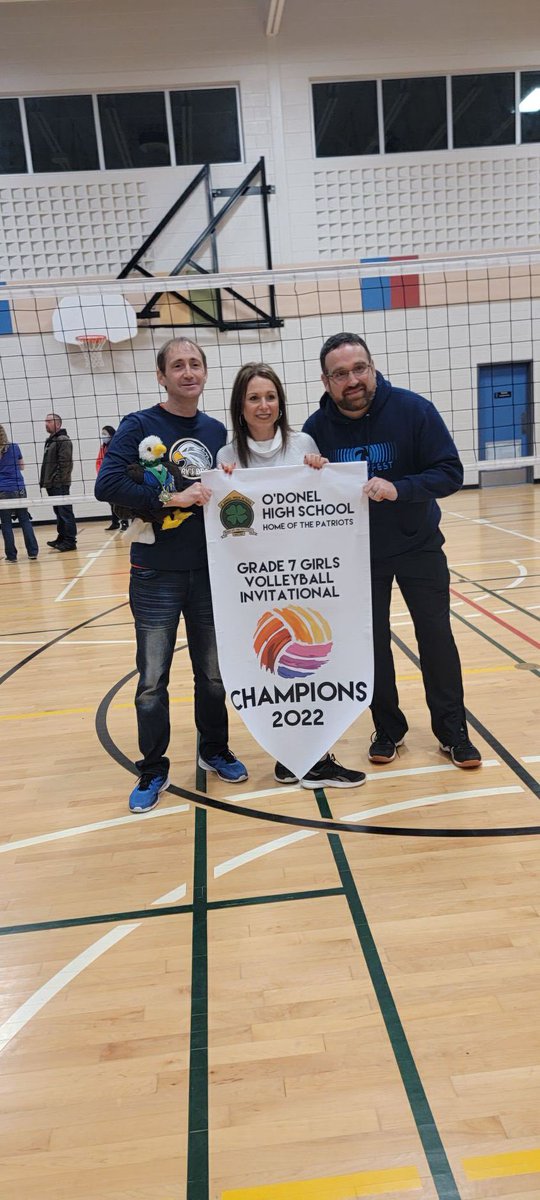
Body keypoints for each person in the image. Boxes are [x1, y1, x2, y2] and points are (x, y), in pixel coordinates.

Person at [303, 332, 482, 770]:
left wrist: (399, 489)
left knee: (436, 638)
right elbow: (297, 494)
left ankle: (452, 730)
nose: (353, 380)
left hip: (418, 545)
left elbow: (450, 473)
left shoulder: (414, 410)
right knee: (371, 645)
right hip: (357, 556)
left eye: (359, 368)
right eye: (340, 373)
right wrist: (309, 472)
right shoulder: (314, 431)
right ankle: (388, 727)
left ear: (373, 367)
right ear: (326, 381)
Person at [95, 336, 248, 813]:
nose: (188, 372)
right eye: (177, 366)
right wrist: (171, 499)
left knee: (213, 674)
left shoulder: (217, 428)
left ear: (204, 372)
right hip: (155, 572)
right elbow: (107, 484)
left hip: (208, 571)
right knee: (152, 679)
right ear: (161, 375)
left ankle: (213, 749)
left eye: (195, 364)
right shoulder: (139, 424)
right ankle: (153, 767)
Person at [217, 361, 366, 790]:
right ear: (240, 406)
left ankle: (315, 755)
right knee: (268, 668)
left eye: (270, 396)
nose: (264, 405)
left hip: (303, 574)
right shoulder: (228, 456)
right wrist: (223, 482)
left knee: (317, 666)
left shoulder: (303, 443)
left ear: (280, 402)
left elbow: (318, 501)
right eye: (254, 398)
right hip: (257, 580)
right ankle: (288, 757)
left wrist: (320, 471)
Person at [0, 425, 39, 562]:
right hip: (19, 488)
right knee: (24, 520)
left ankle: (11, 556)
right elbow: (22, 466)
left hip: (2, 490)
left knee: (6, 523)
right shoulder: (15, 447)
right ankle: (33, 552)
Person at [39, 413, 77, 552]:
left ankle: (70, 541)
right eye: (46, 421)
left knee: (65, 512)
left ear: (58, 424)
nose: (46, 424)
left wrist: (57, 481)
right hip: (52, 484)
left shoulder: (63, 440)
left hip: (59, 484)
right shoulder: (51, 440)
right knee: (59, 512)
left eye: (49, 421)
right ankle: (62, 537)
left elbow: (65, 464)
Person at [95, 425, 128, 531]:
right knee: (111, 501)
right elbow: (100, 461)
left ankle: (124, 522)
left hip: (117, 476)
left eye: (105, 434)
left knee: (120, 501)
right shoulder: (103, 447)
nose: (103, 436)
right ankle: (115, 522)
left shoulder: (116, 445)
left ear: (111, 434)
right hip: (106, 477)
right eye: (102, 433)